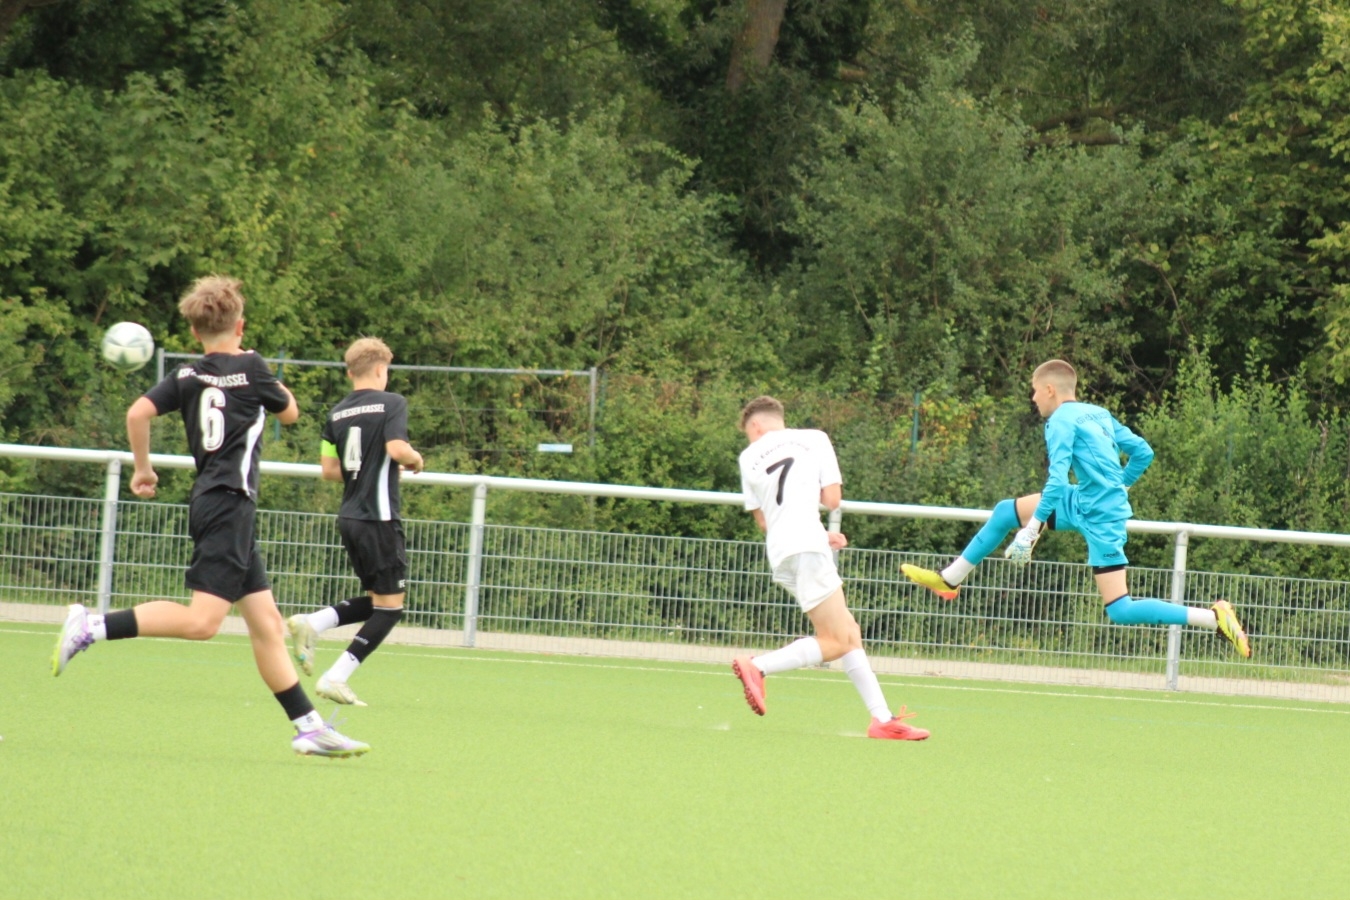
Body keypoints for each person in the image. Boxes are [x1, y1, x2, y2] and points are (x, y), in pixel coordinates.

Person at [52, 275, 370, 758]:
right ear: (240, 326)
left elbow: (137, 414)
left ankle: (309, 728)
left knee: (266, 624)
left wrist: (143, 469)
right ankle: (91, 626)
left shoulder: (186, 375)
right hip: (229, 504)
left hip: (214, 500)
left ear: (194, 332)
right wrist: (258, 369)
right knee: (203, 623)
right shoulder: (254, 367)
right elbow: (290, 414)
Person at [900, 359, 1252, 657]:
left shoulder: (1059, 421)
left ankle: (1213, 617)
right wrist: (1120, 485)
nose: (1033, 398)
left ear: (1050, 390)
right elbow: (1143, 452)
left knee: (1120, 609)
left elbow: (1056, 481)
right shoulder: (1098, 413)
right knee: (1005, 512)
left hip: (1101, 517)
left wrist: (1031, 530)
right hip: (1083, 500)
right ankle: (950, 579)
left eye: (1034, 391)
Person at [731, 396, 930, 741]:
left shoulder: (748, 457)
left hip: (782, 553)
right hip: (808, 548)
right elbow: (832, 499)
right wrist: (817, 532)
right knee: (836, 640)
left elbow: (764, 521)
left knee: (848, 632)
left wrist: (820, 535)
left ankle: (882, 719)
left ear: (756, 426)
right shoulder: (815, 438)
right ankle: (759, 666)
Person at [286, 337, 424, 706]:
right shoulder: (393, 402)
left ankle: (314, 623)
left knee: (378, 601)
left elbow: (329, 470)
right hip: (378, 517)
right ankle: (336, 676)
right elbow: (397, 449)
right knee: (391, 609)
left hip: (349, 517)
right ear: (381, 369)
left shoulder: (336, 413)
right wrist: (415, 459)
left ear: (350, 373)